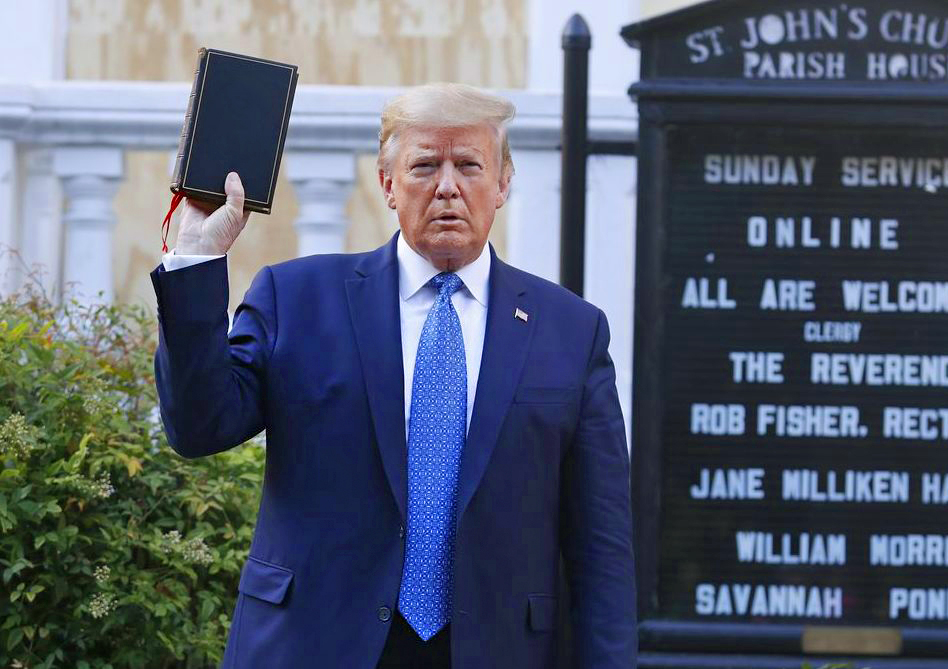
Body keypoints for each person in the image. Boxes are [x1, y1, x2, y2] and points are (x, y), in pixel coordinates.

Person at [150, 82, 636, 668]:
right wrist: (198, 260)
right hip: (315, 644)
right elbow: (198, 426)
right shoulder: (297, 299)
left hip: (496, 649)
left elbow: (602, 549)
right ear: (387, 184)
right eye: (425, 165)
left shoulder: (572, 331)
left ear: (503, 183)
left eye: (470, 166)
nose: (448, 186)